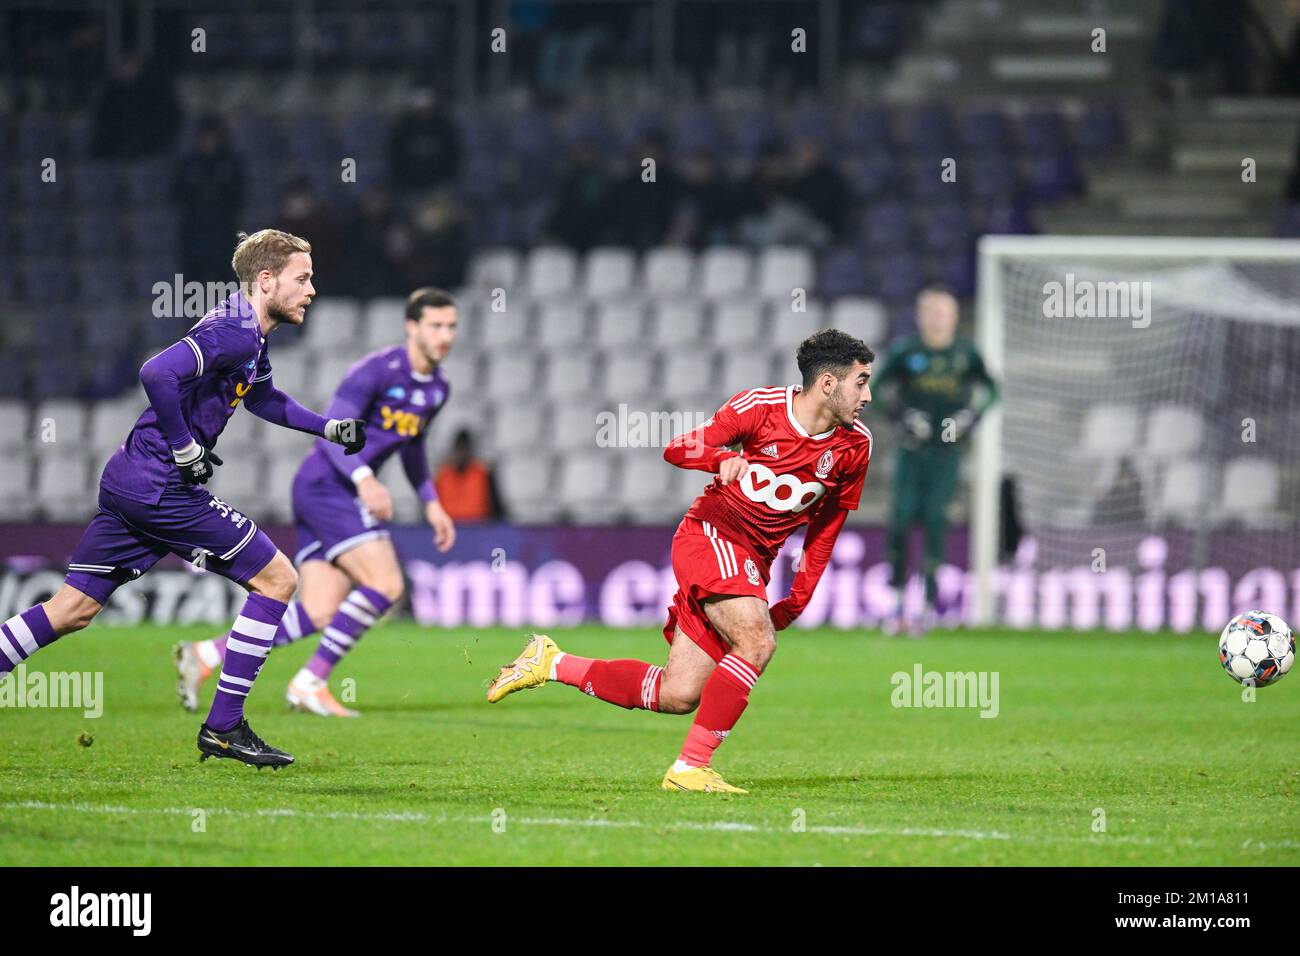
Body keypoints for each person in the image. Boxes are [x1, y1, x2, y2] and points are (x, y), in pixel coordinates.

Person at [0, 229, 366, 766]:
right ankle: (223, 727)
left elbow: (263, 399)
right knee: (279, 579)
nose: (311, 289)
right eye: (303, 278)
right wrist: (184, 445)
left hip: (129, 480)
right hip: (160, 487)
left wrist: (329, 429)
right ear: (266, 281)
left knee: (72, 609)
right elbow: (155, 372)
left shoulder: (249, 335)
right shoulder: (236, 334)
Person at [486, 329, 875, 794]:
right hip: (711, 533)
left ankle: (551, 662)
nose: (867, 395)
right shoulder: (761, 407)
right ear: (828, 383)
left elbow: (826, 527)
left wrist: (798, 597)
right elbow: (677, 447)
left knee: (678, 693)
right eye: (861, 381)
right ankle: (690, 767)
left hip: (752, 561)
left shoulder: (855, 446)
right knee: (756, 641)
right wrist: (718, 459)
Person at [175, 288, 459, 717]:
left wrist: (430, 501)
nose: (445, 335)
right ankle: (310, 682)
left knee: (322, 610)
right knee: (386, 585)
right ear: (412, 327)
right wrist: (364, 479)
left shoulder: (437, 389)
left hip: (329, 490)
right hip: (328, 485)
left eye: (451, 326)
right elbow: (332, 437)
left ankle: (207, 655)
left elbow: (413, 445)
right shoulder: (376, 371)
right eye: (435, 325)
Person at [873, 284, 999, 635]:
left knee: (934, 522)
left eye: (942, 312)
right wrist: (902, 417)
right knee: (900, 521)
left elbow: (991, 390)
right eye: (930, 311)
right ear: (920, 315)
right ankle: (896, 604)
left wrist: (968, 419)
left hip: (946, 455)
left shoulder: (965, 353)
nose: (936, 318)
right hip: (911, 453)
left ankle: (927, 607)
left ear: (954, 317)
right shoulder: (906, 351)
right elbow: (876, 390)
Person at [434, 429, 505, 522]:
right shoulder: (442, 477)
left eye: (465, 449)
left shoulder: (483, 475)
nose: (462, 454)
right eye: (460, 449)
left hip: (479, 530)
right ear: (454, 450)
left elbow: (497, 510)